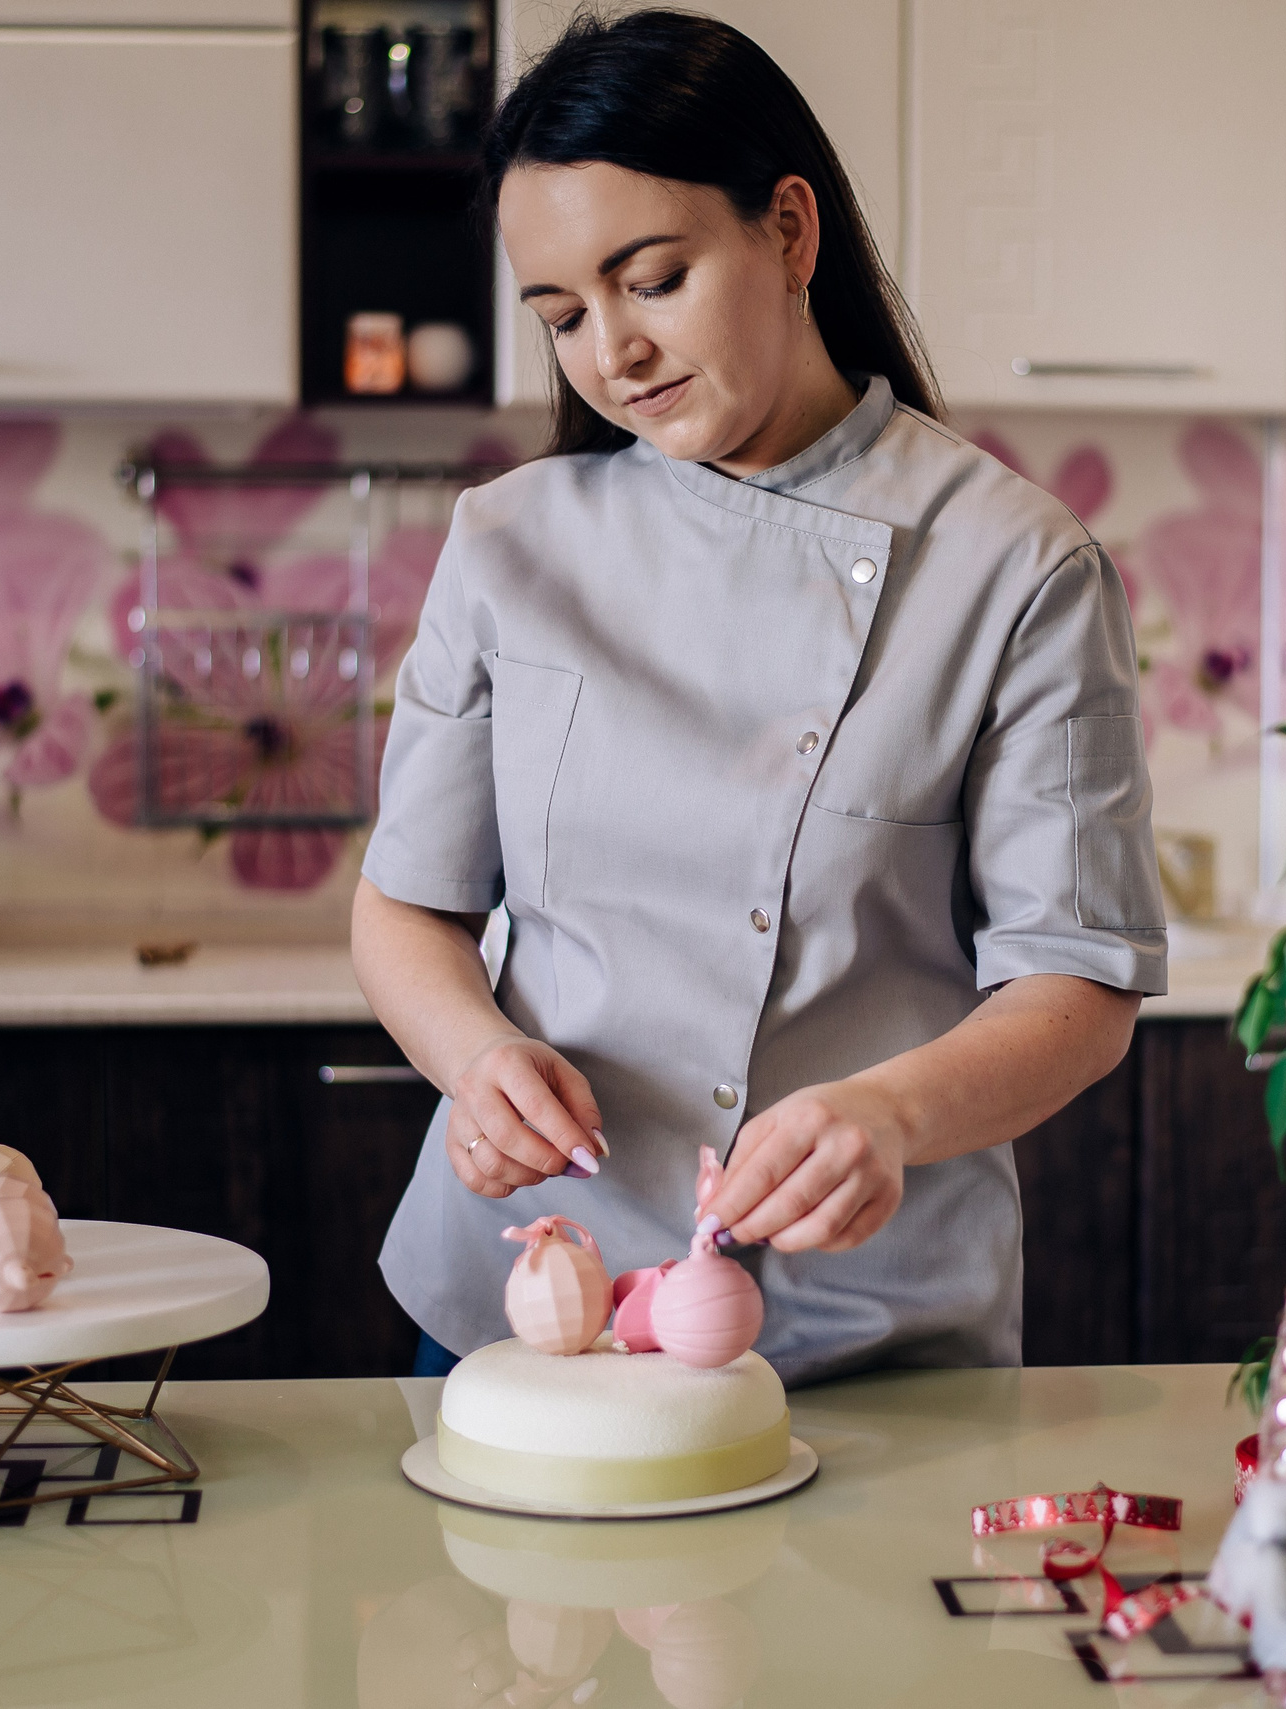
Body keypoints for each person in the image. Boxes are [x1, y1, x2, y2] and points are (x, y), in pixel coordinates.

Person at [352, 10, 1170, 1386]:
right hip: (531, 1300)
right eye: (564, 316)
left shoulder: (1017, 566)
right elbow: (404, 906)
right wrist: (473, 1058)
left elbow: (1076, 985)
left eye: (653, 281)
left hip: (863, 1326)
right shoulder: (508, 543)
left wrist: (892, 1115)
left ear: (790, 230)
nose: (614, 351)